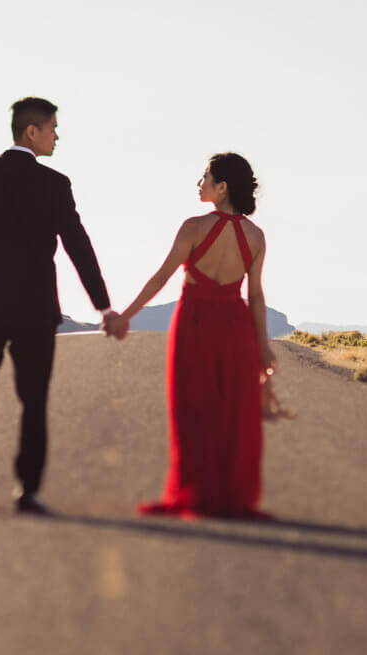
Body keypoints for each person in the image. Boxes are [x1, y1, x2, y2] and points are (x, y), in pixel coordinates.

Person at [0, 96, 124, 514]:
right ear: (32, 132)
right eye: (52, 128)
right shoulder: (54, 185)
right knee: (34, 400)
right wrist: (103, 306)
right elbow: (78, 247)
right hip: (34, 309)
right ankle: (28, 491)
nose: (57, 136)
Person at [116, 152, 285, 520]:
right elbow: (255, 294)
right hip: (235, 327)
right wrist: (263, 345)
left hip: (194, 322)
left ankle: (197, 492)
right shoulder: (256, 237)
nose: (199, 183)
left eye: (205, 177)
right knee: (231, 411)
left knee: (193, 407)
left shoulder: (193, 228)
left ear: (222, 187)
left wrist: (125, 317)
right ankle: (230, 496)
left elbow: (161, 278)